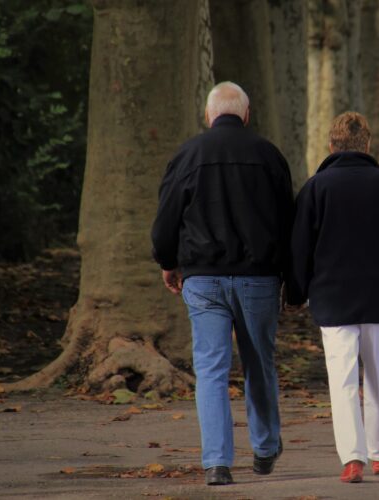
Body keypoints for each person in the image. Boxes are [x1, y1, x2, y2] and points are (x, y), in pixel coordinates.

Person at [151, 81, 292, 486]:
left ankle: (216, 462)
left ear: (209, 115)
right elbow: (288, 222)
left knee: (211, 370)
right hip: (259, 279)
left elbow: (166, 218)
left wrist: (168, 261)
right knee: (258, 364)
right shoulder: (269, 155)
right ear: (246, 115)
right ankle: (265, 448)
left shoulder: (188, 154)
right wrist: (291, 278)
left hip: (203, 278)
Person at [287, 112, 379, 483]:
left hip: (332, 298)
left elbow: (300, 248)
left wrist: (297, 292)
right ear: (368, 145)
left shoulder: (316, 189)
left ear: (331, 146)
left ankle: (352, 457)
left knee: (342, 380)